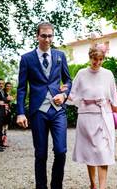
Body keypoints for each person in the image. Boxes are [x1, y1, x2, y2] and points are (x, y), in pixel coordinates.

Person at [16, 22, 72, 189]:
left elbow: (68, 80)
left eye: (50, 36)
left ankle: (56, 186)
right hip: (38, 111)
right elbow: (21, 88)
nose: (47, 39)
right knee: (40, 154)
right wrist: (20, 112)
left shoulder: (60, 56)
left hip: (58, 111)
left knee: (61, 151)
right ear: (37, 36)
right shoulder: (27, 59)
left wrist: (64, 94)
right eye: (44, 36)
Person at [70, 43, 117, 189]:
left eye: (100, 59)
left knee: (103, 152)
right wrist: (62, 94)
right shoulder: (81, 73)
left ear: (103, 59)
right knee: (90, 151)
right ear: (90, 57)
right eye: (94, 59)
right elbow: (72, 94)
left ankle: (102, 187)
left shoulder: (108, 74)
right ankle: (93, 184)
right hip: (86, 117)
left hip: (104, 116)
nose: (97, 62)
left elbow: (114, 97)